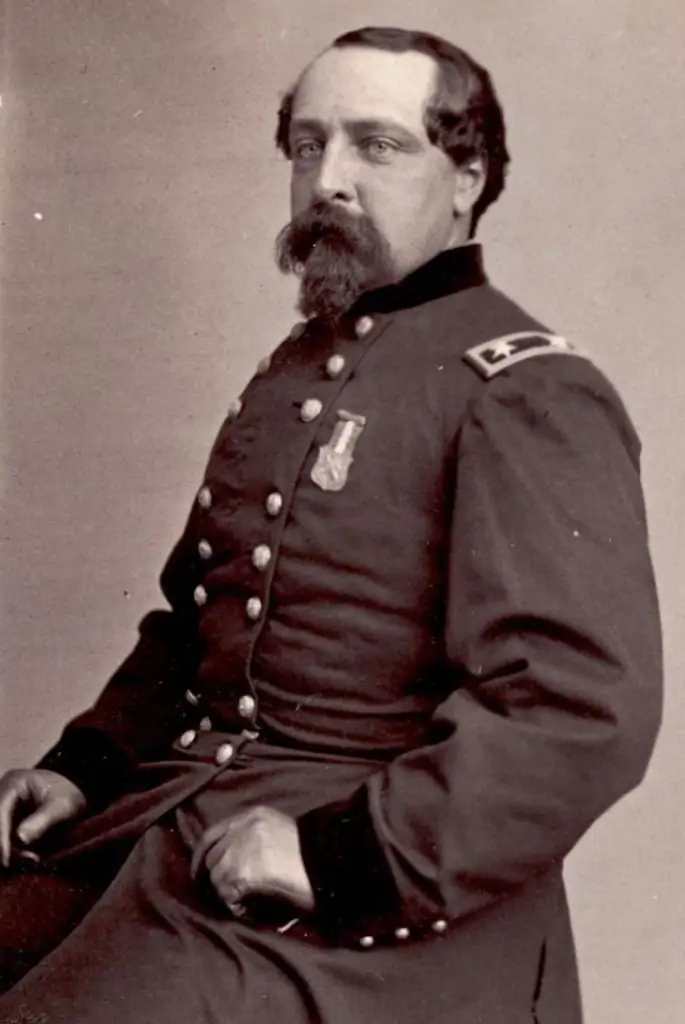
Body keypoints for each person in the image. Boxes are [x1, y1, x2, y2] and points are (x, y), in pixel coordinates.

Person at [0, 25, 662, 1024]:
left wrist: (334, 857)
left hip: (373, 899)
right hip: (183, 821)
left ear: (468, 178)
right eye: (307, 146)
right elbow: (195, 625)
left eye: (376, 145)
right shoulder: (292, 369)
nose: (328, 180)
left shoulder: (528, 390)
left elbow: (575, 713)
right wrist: (85, 771)